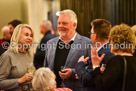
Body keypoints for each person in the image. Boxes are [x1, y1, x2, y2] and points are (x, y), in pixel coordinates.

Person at [44, 9, 92, 91]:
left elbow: (92, 70)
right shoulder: (50, 43)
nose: (60, 26)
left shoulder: (87, 43)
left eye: (64, 23)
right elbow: (46, 67)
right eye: (59, 23)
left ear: (74, 25)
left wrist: (73, 73)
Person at [90, 24, 136, 91]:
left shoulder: (118, 61)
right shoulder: (134, 60)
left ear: (114, 41)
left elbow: (101, 85)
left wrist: (96, 66)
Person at [75, 19, 114, 90]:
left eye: (91, 33)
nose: (90, 36)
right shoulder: (111, 49)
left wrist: (80, 64)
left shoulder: (101, 54)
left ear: (95, 36)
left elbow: (86, 80)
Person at [0, 24, 35, 91]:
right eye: (26, 35)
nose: (30, 38)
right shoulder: (7, 56)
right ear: (17, 36)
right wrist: (20, 80)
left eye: (31, 36)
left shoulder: (30, 54)